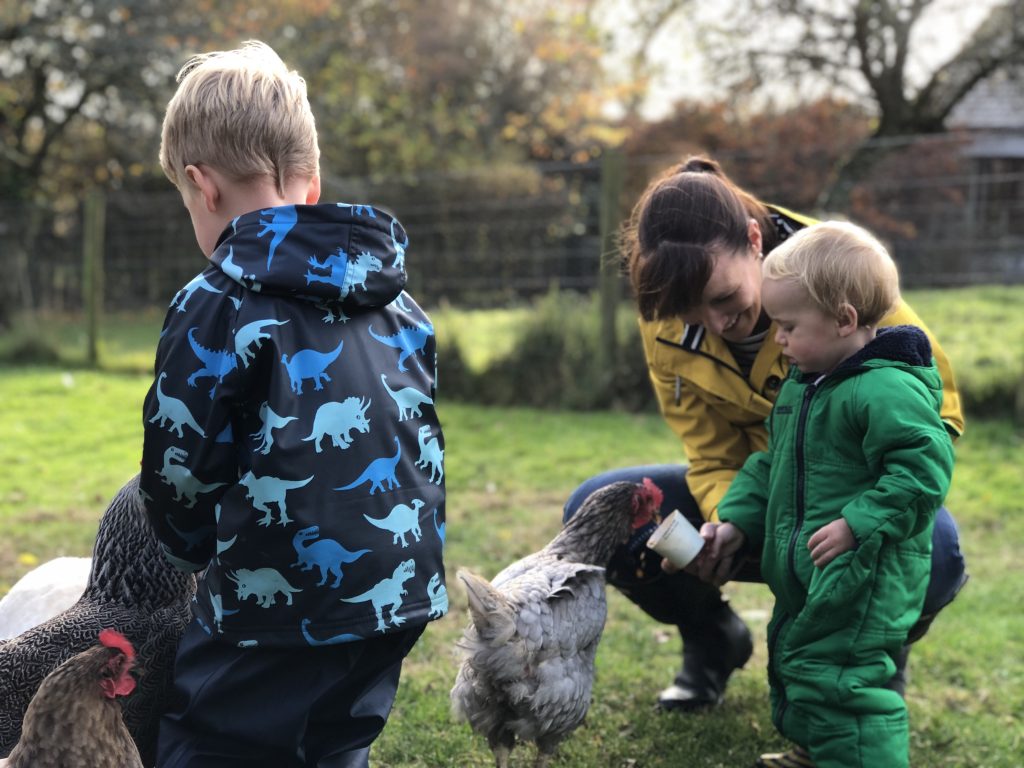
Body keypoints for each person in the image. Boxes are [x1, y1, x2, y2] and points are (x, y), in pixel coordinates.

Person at [562, 156, 967, 714]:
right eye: (689, 310)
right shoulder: (666, 311)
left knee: (938, 550)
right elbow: (708, 452)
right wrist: (727, 522)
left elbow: (936, 419)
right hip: (757, 496)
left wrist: (859, 511)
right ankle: (713, 641)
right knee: (601, 513)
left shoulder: (840, 272)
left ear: (754, 239)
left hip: (844, 505)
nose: (713, 323)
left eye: (724, 299)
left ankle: (873, 660)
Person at [139, 41, 446, 768]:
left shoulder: (214, 303)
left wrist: (186, 550)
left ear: (201, 187)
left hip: (275, 612)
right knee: (335, 739)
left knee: (210, 741)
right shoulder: (401, 303)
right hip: (395, 593)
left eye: (189, 202)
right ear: (310, 183)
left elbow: (180, 468)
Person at [700, 220, 954, 768]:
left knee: (847, 685)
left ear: (844, 320)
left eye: (789, 326)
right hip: (812, 571)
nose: (778, 338)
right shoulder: (804, 386)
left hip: (865, 573)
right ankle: (815, 751)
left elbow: (924, 470)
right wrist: (738, 519)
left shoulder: (885, 388)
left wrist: (858, 523)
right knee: (803, 665)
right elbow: (770, 465)